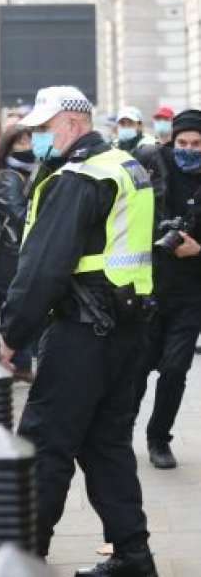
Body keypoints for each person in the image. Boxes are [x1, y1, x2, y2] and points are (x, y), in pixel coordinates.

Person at [0, 86, 157, 576]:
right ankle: (133, 555)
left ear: (71, 122)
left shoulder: (79, 177)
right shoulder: (124, 167)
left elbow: (45, 267)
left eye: (44, 129)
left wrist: (12, 333)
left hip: (83, 329)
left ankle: (25, 555)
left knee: (45, 442)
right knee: (104, 444)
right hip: (127, 326)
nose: (39, 139)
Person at [133, 109, 201, 470]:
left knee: (175, 370)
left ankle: (159, 437)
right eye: (182, 143)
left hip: (190, 295)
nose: (188, 150)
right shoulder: (152, 167)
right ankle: (116, 433)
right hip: (150, 287)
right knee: (136, 368)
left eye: (196, 144)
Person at [0, 125, 35, 379]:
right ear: (7, 147)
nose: (28, 147)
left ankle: (18, 362)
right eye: (20, 143)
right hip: (8, 254)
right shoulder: (9, 176)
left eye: (29, 141)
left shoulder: (25, 173)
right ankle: (18, 364)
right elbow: (17, 215)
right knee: (12, 305)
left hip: (14, 252)